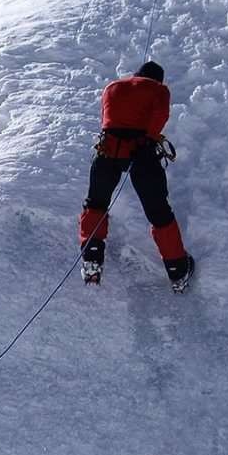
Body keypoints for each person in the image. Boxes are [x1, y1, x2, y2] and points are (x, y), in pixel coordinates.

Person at [77, 61, 195, 292]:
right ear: (158, 79)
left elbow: (107, 118)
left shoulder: (112, 87)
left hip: (108, 149)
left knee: (96, 203)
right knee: (159, 212)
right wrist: (148, 138)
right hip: (142, 153)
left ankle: (92, 259)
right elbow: (160, 116)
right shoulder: (159, 89)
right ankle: (177, 270)